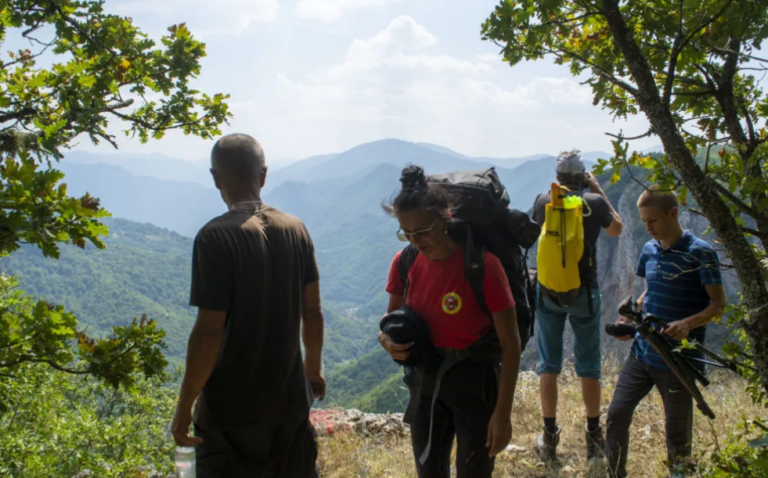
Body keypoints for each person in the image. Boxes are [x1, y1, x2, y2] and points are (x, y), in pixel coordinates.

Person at [170, 133, 326, 478]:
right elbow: (312, 314)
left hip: (232, 413)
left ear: (215, 178)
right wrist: (312, 370)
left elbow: (210, 332)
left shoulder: (214, 238)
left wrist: (184, 407)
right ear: (264, 174)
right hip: (290, 403)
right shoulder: (297, 229)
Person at [378, 165, 522, 478]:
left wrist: (503, 414)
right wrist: (388, 342)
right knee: (429, 471)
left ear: (444, 218)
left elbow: (511, 344)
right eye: (407, 232)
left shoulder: (484, 266)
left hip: (475, 383)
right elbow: (390, 319)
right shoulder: (404, 262)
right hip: (425, 381)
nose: (416, 241)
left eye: (423, 231)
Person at [605, 186, 727, 478]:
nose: (647, 228)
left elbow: (719, 305)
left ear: (673, 213)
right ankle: (614, 473)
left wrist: (687, 323)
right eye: (643, 221)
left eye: (653, 221)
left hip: (678, 361)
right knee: (617, 414)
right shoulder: (649, 250)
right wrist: (633, 319)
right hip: (643, 354)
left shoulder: (701, 253)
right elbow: (652, 288)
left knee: (677, 436)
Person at [531, 151, 623, 461]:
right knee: (589, 367)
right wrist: (597, 190)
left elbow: (533, 233)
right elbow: (617, 229)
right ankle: (594, 440)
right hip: (584, 291)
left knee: (549, 365)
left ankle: (549, 439)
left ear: (558, 176)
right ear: (584, 174)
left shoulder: (545, 200)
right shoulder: (594, 203)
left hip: (548, 292)